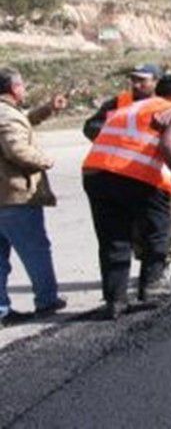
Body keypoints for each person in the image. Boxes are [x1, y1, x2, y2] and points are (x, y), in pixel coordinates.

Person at [82, 74, 171, 319]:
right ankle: (152, 289)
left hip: (96, 174)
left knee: (114, 240)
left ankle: (115, 301)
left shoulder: (131, 107)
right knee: (158, 231)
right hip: (135, 175)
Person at [0, 68, 67, 327]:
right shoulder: (6, 115)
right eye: (22, 86)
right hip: (14, 197)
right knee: (35, 250)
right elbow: (16, 149)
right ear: (14, 88)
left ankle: (2, 310)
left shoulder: (8, 113)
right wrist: (45, 160)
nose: (24, 89)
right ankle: (47, 300)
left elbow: (22, 123)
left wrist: (48, 109)